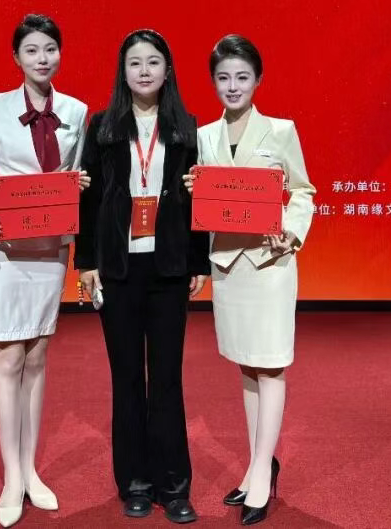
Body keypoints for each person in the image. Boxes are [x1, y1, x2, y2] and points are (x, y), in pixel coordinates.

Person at [0, 14, 89, 528]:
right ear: (17, 57)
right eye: (32, 50)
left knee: (37, 355)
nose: (42, 58)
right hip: (4, 249)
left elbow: (77, 178)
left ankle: (32, 469)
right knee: (8, 354)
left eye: (50, 48)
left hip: (49, 249)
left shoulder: (76, 111)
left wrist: (80, 186)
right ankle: (11, 476)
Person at [76, 29, 210, 524]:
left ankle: (174, 486)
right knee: (128, 378)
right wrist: (86, 264)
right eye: (135, 63)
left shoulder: (187, 128)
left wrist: (198, 263)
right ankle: (134, 482)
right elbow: (89, 199)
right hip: (118, 269)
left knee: (168, 380)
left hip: (169, 268)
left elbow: (198, 201)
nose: (144, 71)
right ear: (123, 72)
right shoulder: (102, 127)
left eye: (153, 62)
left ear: (167, 71)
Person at [185, 35, 316, 525]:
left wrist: (292, 233)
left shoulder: (281, 131)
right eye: (223, 78)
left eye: (242, 76)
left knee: (271, 365)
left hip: (269, 264)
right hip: (228, 266)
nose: (233, 86)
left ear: (258, 79)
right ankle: (257, 464)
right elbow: (205, 202)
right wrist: (192, 188)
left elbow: (303, 190)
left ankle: (261, 470)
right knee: (246, 364)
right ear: (213, 82)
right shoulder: (203, 137)